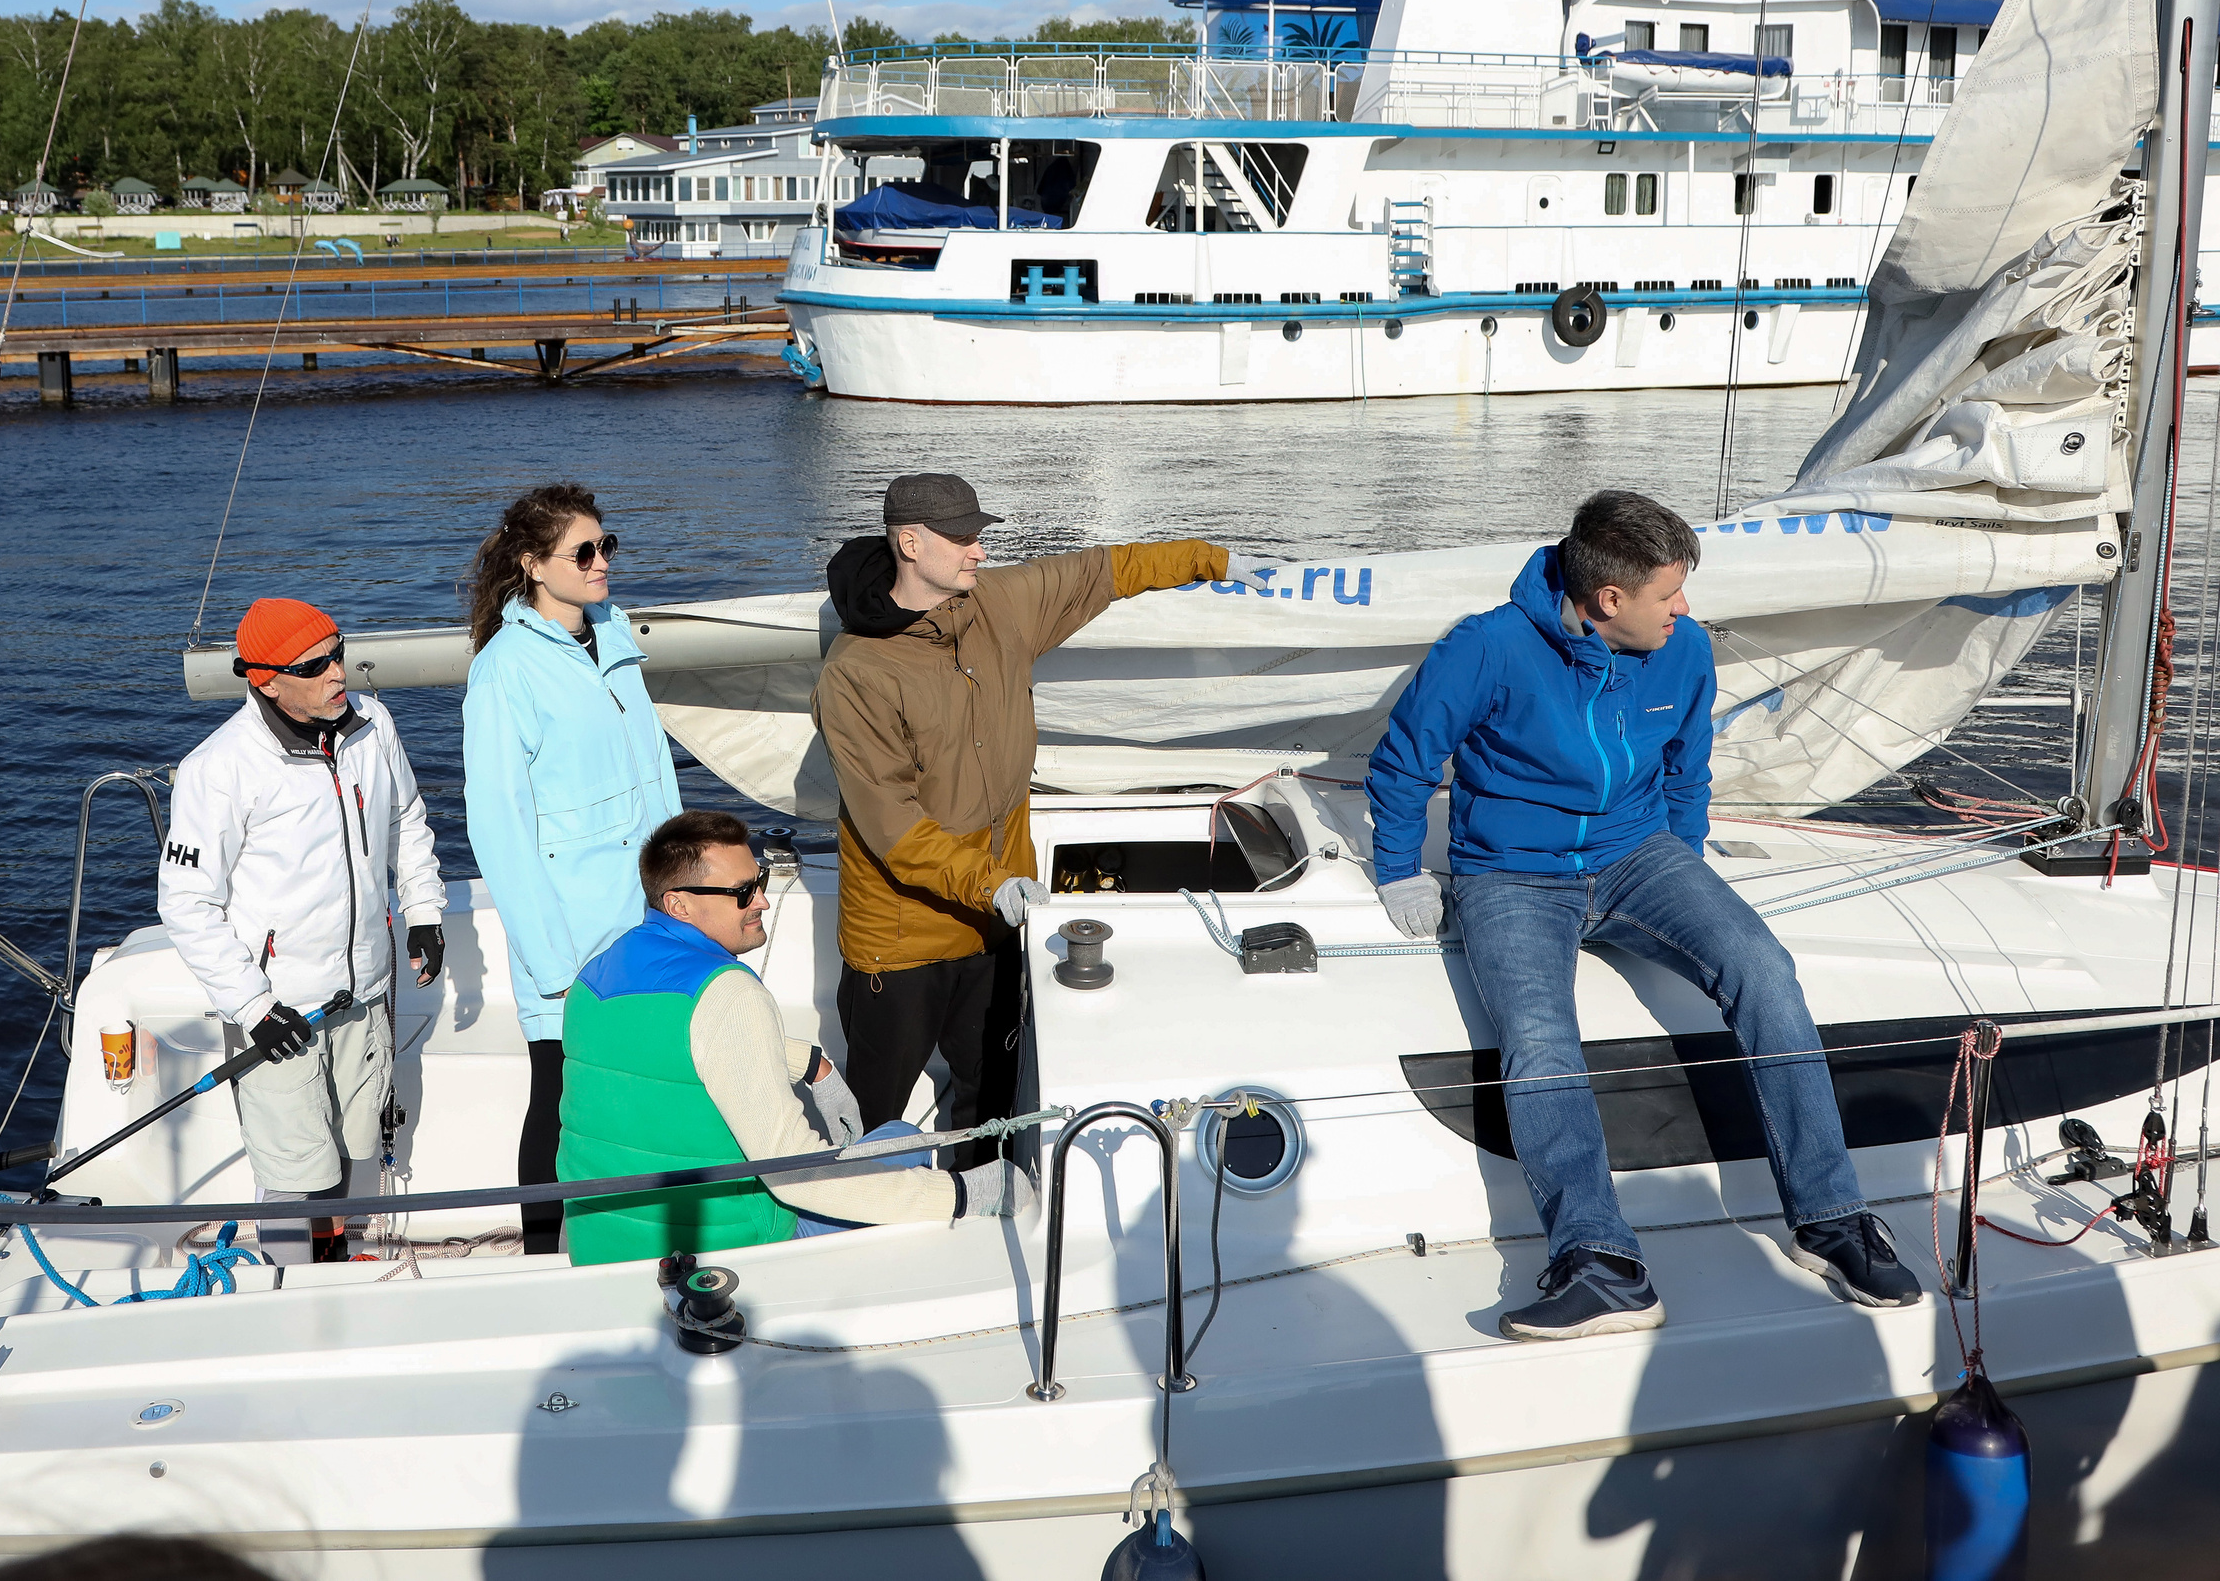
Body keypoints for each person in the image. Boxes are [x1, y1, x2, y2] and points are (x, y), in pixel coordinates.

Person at [1365, 491, 1923, 1342]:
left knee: (1763, 967)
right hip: (1513, 873)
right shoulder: (1488, 646)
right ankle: (1601, 1261)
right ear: (1609, 600)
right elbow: (1405, 759)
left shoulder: (1683, 649)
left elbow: (1685, 769)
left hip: (1639, 855)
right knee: (1541, 1035)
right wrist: (1400, 871)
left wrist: (1684, 872)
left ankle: (1831, 1219)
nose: (1686, 609)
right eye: (1670, 594)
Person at [811, 471, 1267, 1167]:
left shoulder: (1000, 605)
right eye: (963, 538)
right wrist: (990, 882)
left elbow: (1107, 570)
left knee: (992, 1106)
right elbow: (893, 827)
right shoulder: (857, 672)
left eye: (979, 536)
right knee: (878, 1120)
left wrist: (1217, 560)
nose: (980, 552)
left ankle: (983, 1215)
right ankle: (865, 1226)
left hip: (995, 923)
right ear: (909, 542)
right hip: (900, 940)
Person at [559, 810, 1034, 1266]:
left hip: (600, 1245)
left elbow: (668, 1043)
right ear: (679, 904)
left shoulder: (591, 981)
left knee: (891, 1147)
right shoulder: (729, 993)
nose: (761, 900)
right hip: (729, 1252)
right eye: (742, 892)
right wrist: (964, 1192)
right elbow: (797, 1177)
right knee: (904, 1140)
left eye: (761, 880)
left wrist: (814, 1067)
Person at [159, 597, 446, 1262]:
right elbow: (185, 901)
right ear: (265, 679)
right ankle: (296, 1288)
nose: (337, 671)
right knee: (296, 1178)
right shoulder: (219, 768)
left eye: (339, 651)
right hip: (280, 1014)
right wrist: (255, 1007)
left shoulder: (375, 725)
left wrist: (424, 909)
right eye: (316, 664)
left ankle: (338, 1263)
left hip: (365, 994)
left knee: (355, 1154)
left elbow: (406, 819)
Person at [463, 482, 681, 1254]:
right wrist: (550, 957)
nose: (601, 563)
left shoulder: (613, 635)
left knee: (640, 1086)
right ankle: (540, 1254)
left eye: (606, 546)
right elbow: (498, 824)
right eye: (582, 552)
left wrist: (681, 883)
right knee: (559, 1097)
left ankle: (638, 1235)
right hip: (569, 925)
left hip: (646, 912)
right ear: (532, 565)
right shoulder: (505, 670)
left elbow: (654, 768)